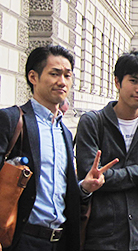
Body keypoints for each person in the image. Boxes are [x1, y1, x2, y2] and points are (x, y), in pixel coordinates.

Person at [0, 45, 116, 251]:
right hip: (21, 240)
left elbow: (60, 190)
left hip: (58, 241)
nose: (62, 82)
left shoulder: (63, 131)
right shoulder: (12, 120)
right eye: (54, 74)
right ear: (33, 77)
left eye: (67, 75)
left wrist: (84, 188)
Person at [75, 51, 138, 251]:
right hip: (99, 237)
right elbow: (92, 177)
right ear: (118, 82)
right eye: (133, 81)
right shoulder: (93, 123)